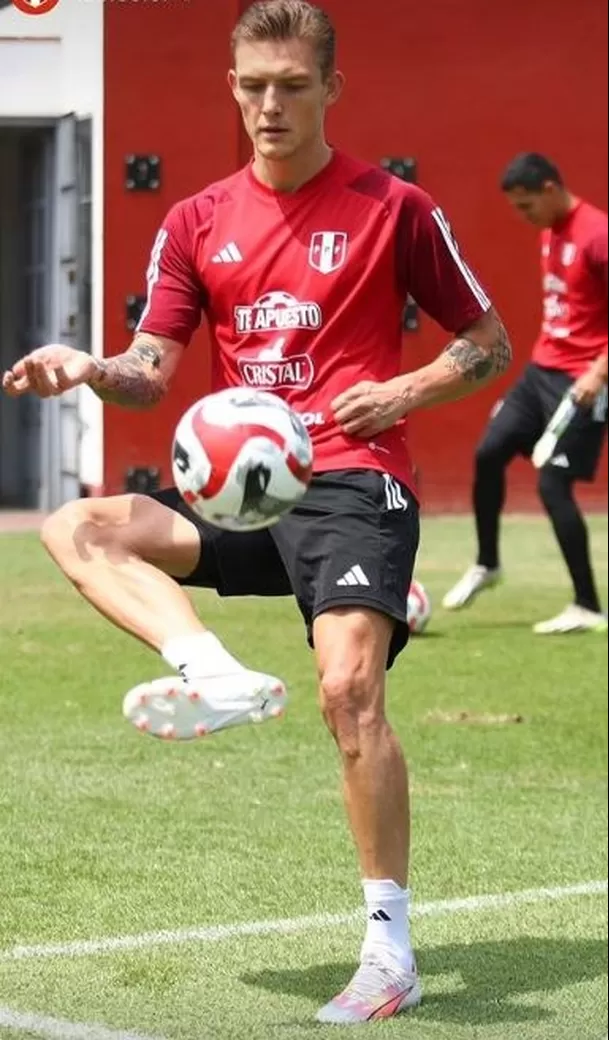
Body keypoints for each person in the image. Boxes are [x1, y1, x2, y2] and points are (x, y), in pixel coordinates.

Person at [2, 0, 511, 1023]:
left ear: (331, 88)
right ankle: (213, 669)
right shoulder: (195, 221)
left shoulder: (393, 208)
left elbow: (491, 343)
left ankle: (389, 948)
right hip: (245, 488)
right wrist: (91, 366)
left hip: (357, 477)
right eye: (250, 85)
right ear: (232, 88)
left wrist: (402, 392)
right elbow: (151, 371)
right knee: (78, 525)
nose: (268, 105)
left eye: (289, 84)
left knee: (346, 692)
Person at [443, 153, 608, 634]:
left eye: (527, 205)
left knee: (551, 484)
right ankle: (488, 562)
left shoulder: (597, 235)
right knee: (489, 452)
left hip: (585, 380)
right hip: (542, 371)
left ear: (552, 188)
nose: (524, 216)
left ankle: (587, 604)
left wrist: (598, 375)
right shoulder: (549, 232)